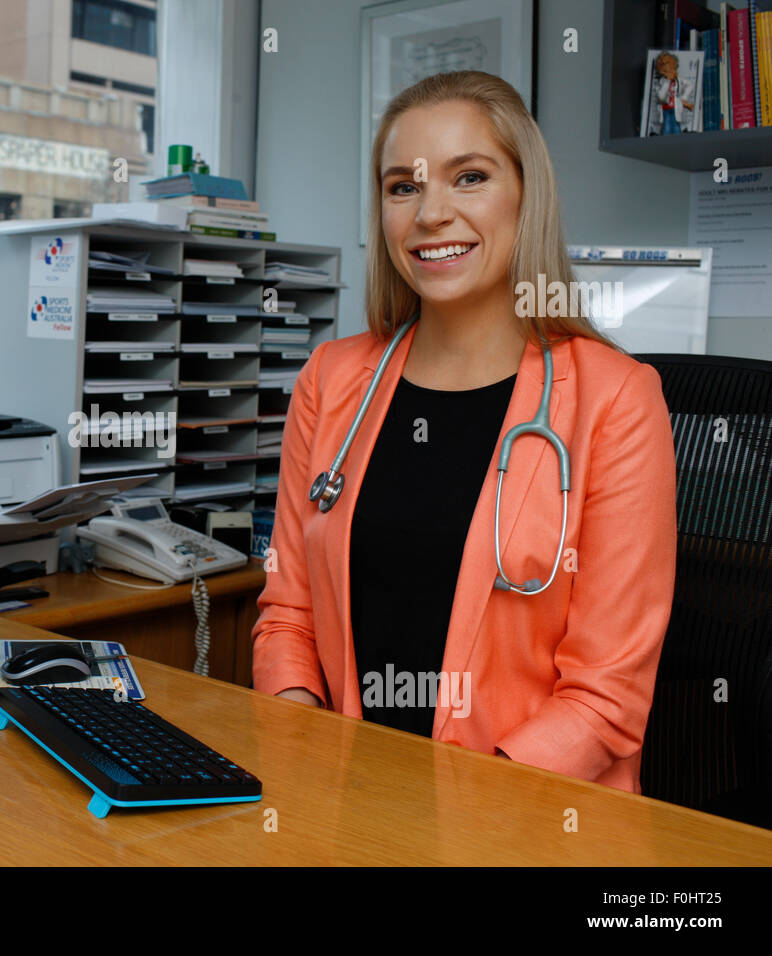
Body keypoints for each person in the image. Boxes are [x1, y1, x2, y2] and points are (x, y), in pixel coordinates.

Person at [251, 70, 677, 793]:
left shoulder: (618, 400)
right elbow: (287, 614)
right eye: (402, 186)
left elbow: (604, 698)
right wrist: (304, 754)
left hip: (525, 818)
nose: (430, 214)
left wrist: (450, 821)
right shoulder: (331, 379)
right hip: (345, 809)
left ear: (525, 195)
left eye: (469, 177)